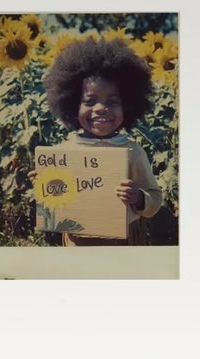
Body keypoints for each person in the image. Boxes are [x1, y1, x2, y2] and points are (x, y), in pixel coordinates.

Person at [40, 36, 163, 246]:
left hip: (123, 241)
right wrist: (43, 184)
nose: (100, 109)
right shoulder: (64, 153)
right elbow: (55, 199)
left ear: (128, 106)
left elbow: (155, 197)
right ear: (71, 104)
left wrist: (139, 198)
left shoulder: (132, 151)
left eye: (112, 102)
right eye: (90, 101)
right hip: (77, 241)